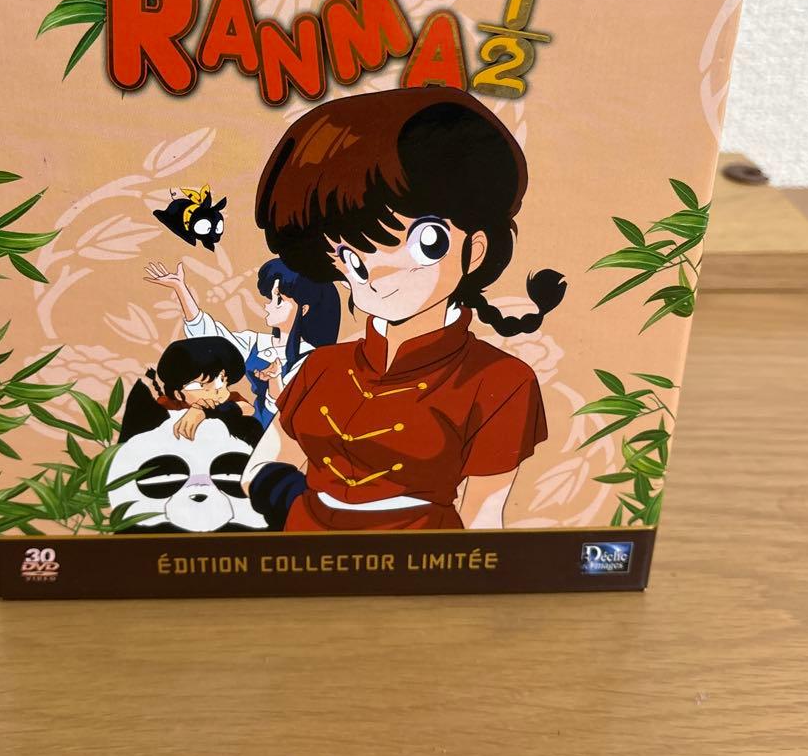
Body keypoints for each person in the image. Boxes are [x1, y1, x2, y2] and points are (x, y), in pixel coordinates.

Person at [242, 86, 566, 531]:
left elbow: (483, 516)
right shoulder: (322, 367)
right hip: (306, 547)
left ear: (475, 250)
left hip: (421, 558)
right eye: (353, 255)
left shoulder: (500, 381)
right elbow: (264, 465)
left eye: (425, 242)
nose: (379, 272)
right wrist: (284, 500)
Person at [144, 257, 340, 428]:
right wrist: (180, 288)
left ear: (304, 309)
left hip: (276, 429)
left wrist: (274, 380)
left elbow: (289, 407)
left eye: (278, 299)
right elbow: (211, 338)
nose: (268, 305)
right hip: (248, 421)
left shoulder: (311, 359)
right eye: (270, 297)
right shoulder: (257, 343)